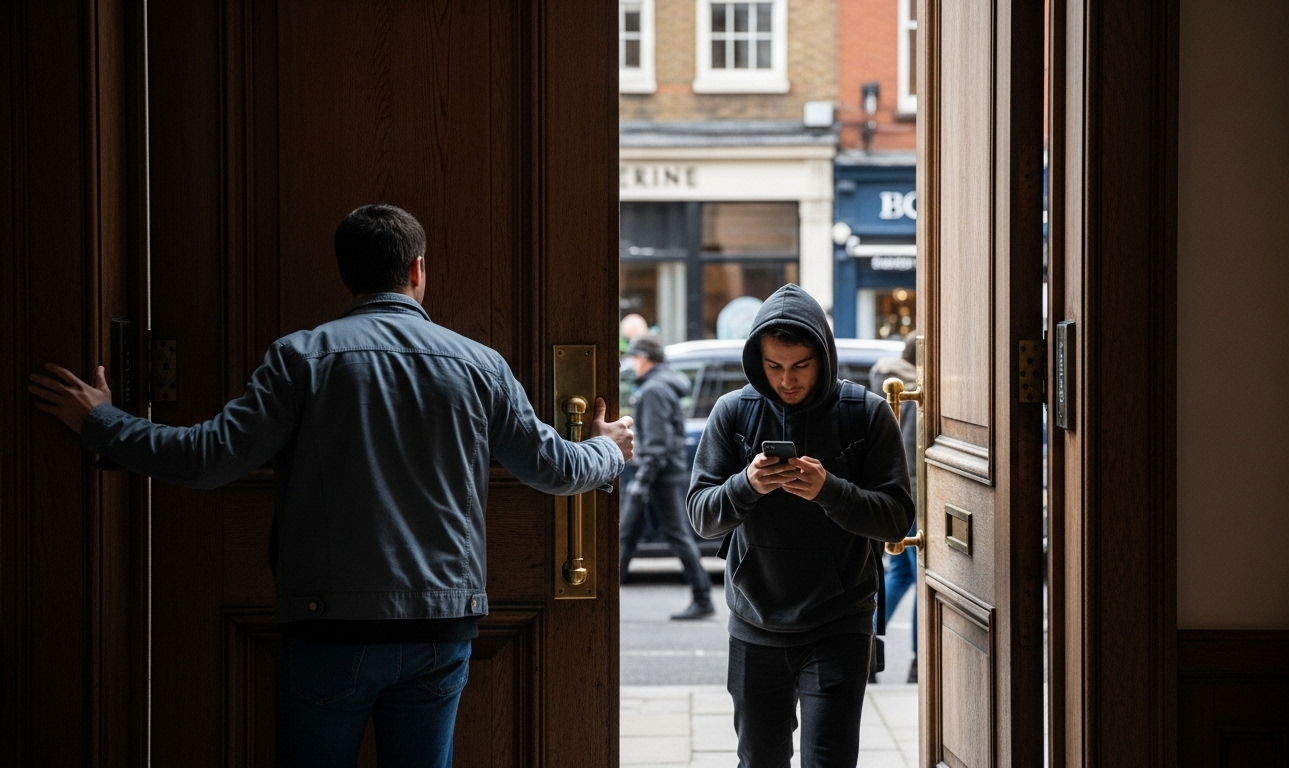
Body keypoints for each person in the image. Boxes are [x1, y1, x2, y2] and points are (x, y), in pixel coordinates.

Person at [27, 203, 635, 768]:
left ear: (347, 274)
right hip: (439, 624)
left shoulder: (301, 359)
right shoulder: (478, 365)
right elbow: (551, 467)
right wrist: (608, 449)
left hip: (328, 625)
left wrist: (99, 422)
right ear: (418, 270)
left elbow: (208, 457)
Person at [687, 284, 914, 767]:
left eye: (800, 366)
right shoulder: (733, 413)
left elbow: (898, 516)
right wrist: (746, 484)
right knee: (759, 760)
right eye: (773, 367)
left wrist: (829, 489)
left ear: (824, 357)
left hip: (840, 620)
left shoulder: (866, 414)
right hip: (754, 621)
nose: (787, 380)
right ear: (757, 362)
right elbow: (702, 516)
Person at [617, 334, 716, 620]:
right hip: (662, 472)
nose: (632, 364)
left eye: (634, 358)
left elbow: (657, 444)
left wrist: (642, 481)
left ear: (646, 359)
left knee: (670, 534)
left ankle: (702, 597)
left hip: (657, 475)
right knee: (628, 536)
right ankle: (604, 601)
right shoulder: (660, 386)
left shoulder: (653, 391)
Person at [868, 332, 920, 684]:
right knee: (923, 578)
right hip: (916, 495)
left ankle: (867, 649)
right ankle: (921, 659)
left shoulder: (889, 384)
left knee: (899, 573)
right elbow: (916, 454)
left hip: (893, 491)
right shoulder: (918, 392)